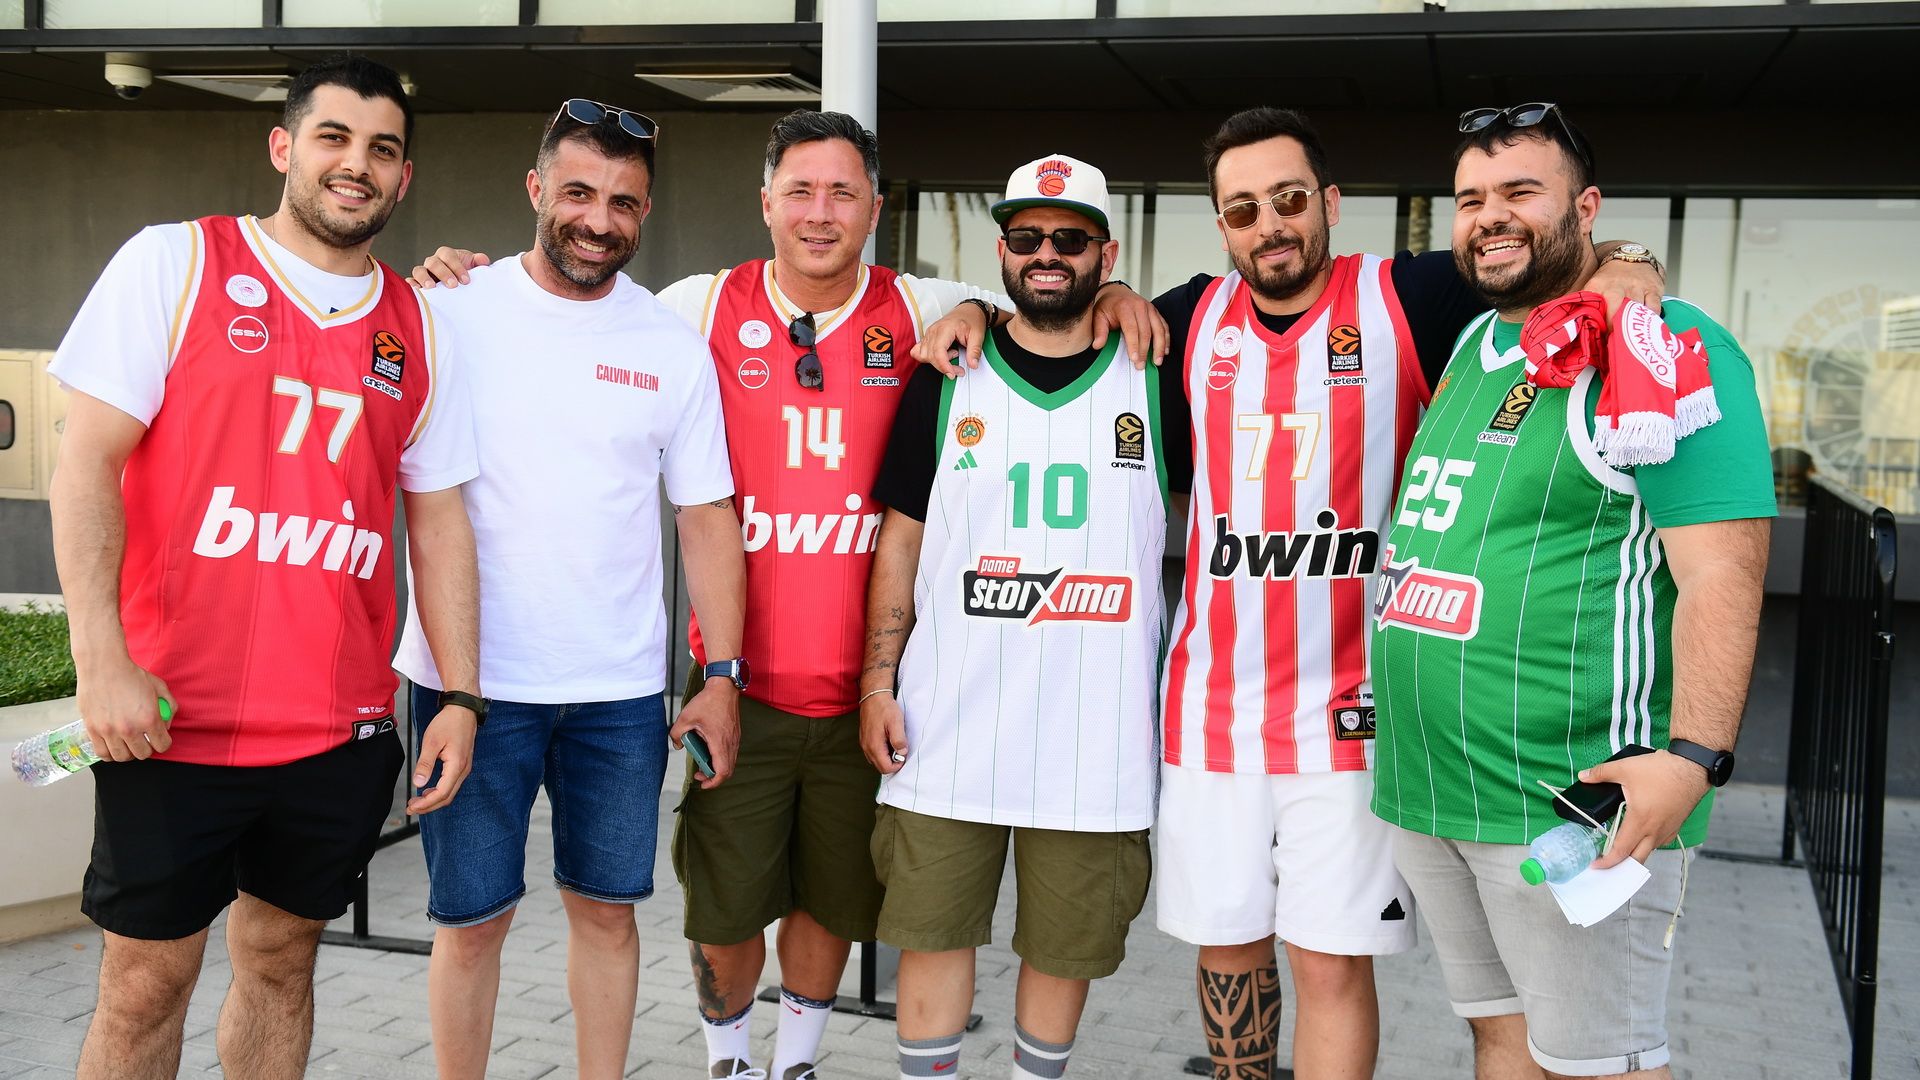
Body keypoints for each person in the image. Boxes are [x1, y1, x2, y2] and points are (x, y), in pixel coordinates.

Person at [412, 109, 1163, 1080]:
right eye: (800, 190)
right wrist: (455, 276)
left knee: (829, 905)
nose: (820, 212)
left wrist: (1117, 295)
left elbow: (1040, 297)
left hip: (869, 693)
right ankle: (730, 1062)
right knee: (722, 912)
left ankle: (796, 1064)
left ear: (875, 210)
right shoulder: (694, 307)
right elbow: (583, 315)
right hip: (742, 684)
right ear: (765, 202)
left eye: (843, 192)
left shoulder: (926, 305)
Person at [917, 106, 1663, 1080]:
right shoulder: (1189, 318)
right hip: (1210, 712)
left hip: (1350, 716)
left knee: (1328, 962)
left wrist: (1628, 263)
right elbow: (1055, 309)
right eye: (1242, 210)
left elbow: (1543, 263)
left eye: (1289, 200)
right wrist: (975, 312)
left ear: (1331, 203)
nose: (1268, 225)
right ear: (1220, 227)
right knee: (1227, 951)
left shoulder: (1406, 295)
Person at [45, 54, 480, 1080]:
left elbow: (440, 523)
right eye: (333, 137)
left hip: (335, 729)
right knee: (146, 982)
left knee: (283, 963)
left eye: (382, 149)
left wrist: (461, 693)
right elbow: (84, 468)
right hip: (168, 719)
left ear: (404, 176)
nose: (356, 164)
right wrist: (99, 662)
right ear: (283, 146)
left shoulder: (422, 327)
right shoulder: (175, 262)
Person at [1371, 103, 1774, 1079]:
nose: (1490, 216)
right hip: (1434, 788)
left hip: (1570, 801)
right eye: (1471, 198)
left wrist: (1695, 757)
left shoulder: (1659, 342)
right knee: (1502, 1036)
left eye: (1521, 192)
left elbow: (1721, 568)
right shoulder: (1474, 343)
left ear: (1586, 209)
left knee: (1602, 1066)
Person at [388, 99, 745, 1080]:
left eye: (624, 202)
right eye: (579, 193)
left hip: (617, 691)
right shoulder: (448, 311)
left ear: (646, 212)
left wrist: (722, 675)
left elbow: (706, 515)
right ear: (536, 189)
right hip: (469, 685)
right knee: (471, 922)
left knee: (607, 912)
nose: (599, 220)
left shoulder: (669, 343)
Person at [862, 153, 1181, 1080]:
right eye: (1027, 237)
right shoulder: (946, 370)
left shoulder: (1156, 376)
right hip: (948, 725)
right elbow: (900, 542)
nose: (1047, 254)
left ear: (1105, 254)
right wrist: (877, 683)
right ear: (1001, 251)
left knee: (1063, 951)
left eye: (1070, 239)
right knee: (931, 934)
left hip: (1096, 738)